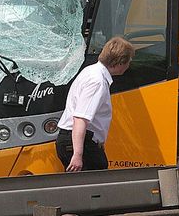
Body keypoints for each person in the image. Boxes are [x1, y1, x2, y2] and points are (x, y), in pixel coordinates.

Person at [56, 36, 135, 172]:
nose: (129, 65)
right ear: (120, 62)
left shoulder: (90, 71)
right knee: (94, 185)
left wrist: (98, 142)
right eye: (129, 61)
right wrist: (77, 155)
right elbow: (80, 118)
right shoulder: (97, 81)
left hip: (76, 140)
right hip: (78, 143)